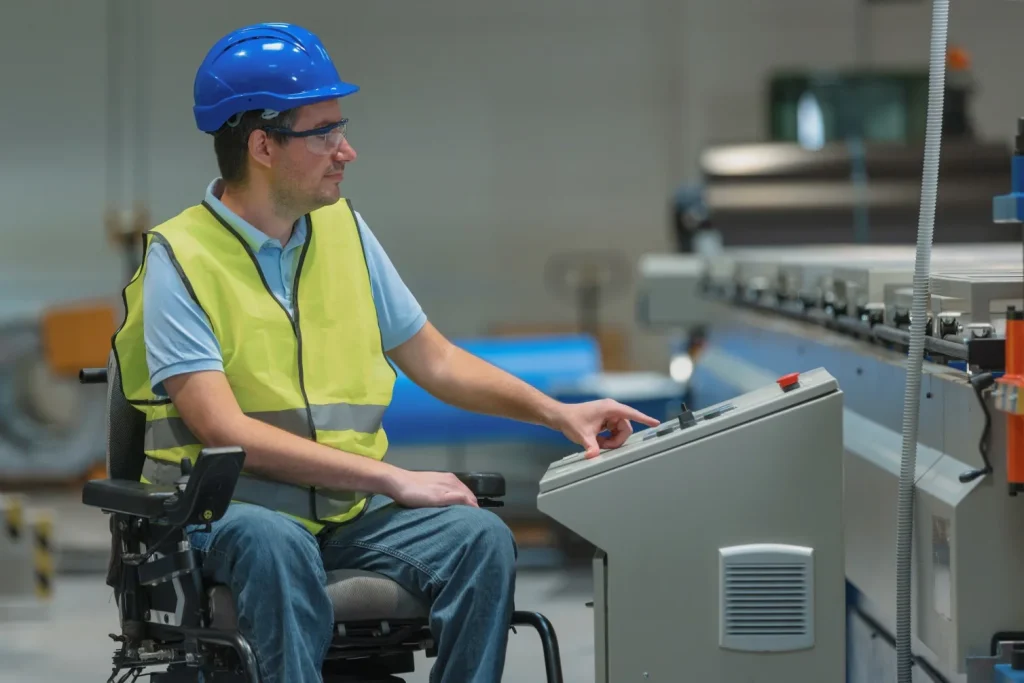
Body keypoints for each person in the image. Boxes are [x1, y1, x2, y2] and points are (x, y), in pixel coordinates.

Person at [112, 21, 660, 683]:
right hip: (224, 518)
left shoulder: (342, 231)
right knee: (274, 542)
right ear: (261, 144)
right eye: (323, 133)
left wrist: (558, 412)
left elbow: (437, 360)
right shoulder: (181, 259)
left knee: (479, 538)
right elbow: (224, 431)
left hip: (343, 514)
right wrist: (391, 478)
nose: (346, 151)